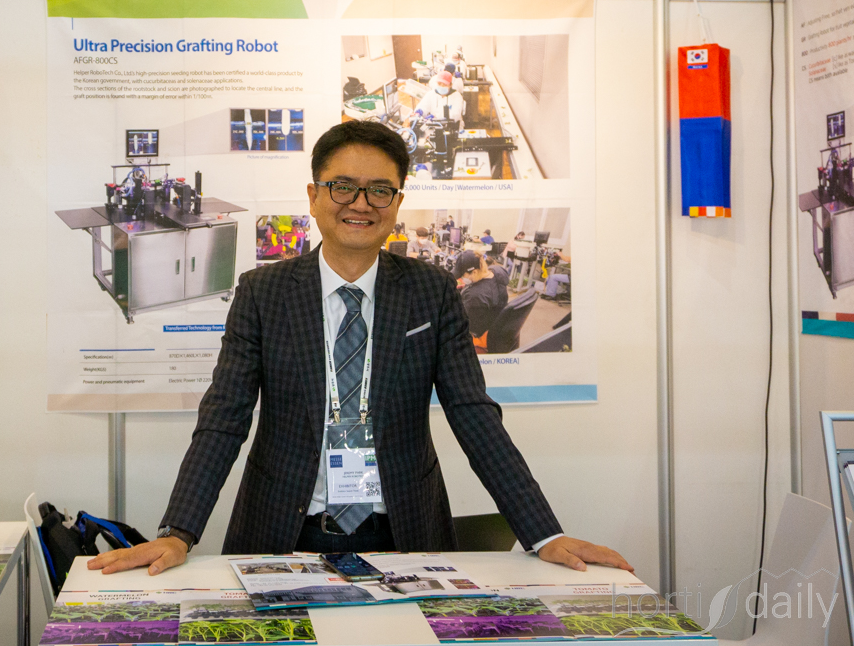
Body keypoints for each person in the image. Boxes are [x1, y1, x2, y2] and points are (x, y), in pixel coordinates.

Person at [90, 121, 632, 576]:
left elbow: (473, 414)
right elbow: (224, 418)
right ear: (314, 196)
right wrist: (178, 531)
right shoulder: (263, 292)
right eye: (343, 187)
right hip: (281, 530)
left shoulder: (431, 291)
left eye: (379, 190)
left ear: (397, 202)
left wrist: (542, 533)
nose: (360, 204)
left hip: (405, 532)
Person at [456, 250, 508, 342]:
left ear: (474, 272)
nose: (462, 278)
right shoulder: (498, 271)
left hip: (478, 335)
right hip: (494, 321)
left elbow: (464, 325)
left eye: (463, 275)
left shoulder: (474, 296)